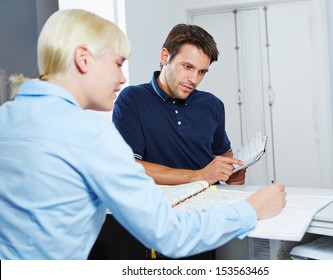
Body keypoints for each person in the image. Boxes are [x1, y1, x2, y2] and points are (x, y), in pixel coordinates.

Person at [0, 9, 286, 260]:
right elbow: (168, 233)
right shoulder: (89, 134)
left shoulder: (6, 118)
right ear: (84, 59)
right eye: (117, 63)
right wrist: (253, 209)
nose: (122, 78)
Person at [112, 23, 247, 186]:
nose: (194, 79)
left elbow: (224, 154)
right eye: (188, 67)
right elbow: (129, 166)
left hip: (212, 202)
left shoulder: (212, 104)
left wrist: (231, 173)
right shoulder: (133, 99)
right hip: (163, 205)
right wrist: (200, 176)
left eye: (202, 72)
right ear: (165, 57)